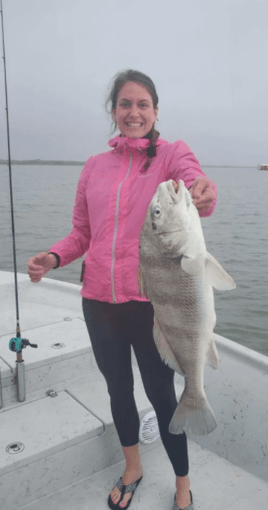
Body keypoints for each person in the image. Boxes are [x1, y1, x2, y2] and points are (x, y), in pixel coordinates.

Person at [28, 70, 217, 510]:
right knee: (117, 389)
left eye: (143, 105)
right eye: (125, 104)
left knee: (162, 393)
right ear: (114, 111)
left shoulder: (171, 154)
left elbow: (193, 182)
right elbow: (81, 233)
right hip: (98, 302)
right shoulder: (95, 166)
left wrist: (201, 191)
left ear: (155, 111)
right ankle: (132, 466)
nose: (134, 113)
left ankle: (183, 481)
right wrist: (53, 257)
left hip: (149, 306)